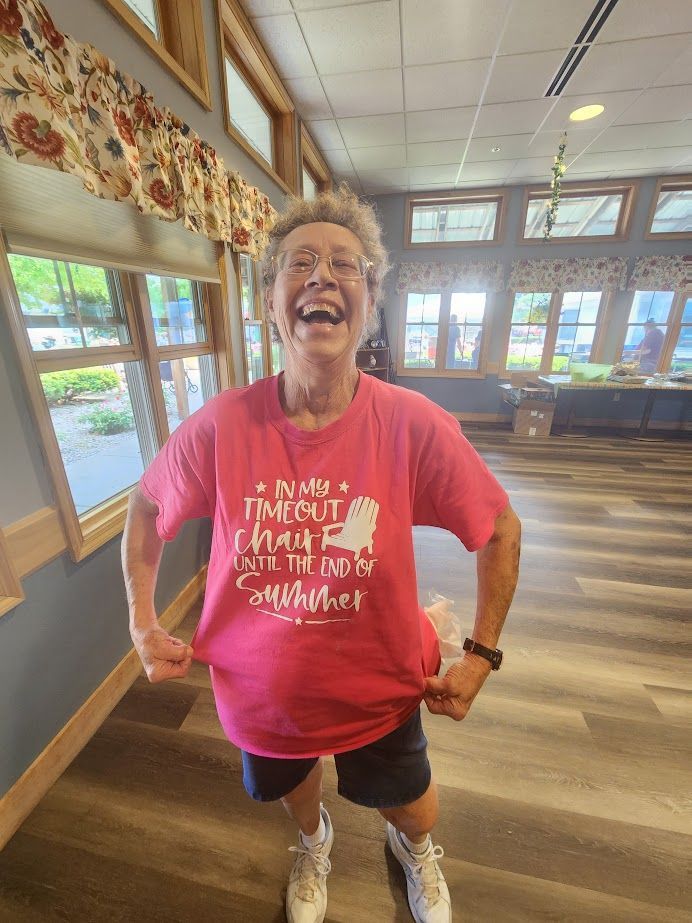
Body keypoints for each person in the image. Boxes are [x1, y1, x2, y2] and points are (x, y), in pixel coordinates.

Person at [122, 187, 521, 923]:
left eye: (346, 265)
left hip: (380, 684)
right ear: (270, 300)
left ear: (369, 300)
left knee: (412, 803)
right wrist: (142, 622)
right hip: (262, 693)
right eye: (299, 262)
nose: (323, 277)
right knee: (293, 792)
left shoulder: (413, 425)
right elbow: (146, 508)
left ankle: (415, 850)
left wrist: (481, 655)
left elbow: (500, 528)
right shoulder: (220, 426)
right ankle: (313, 842)